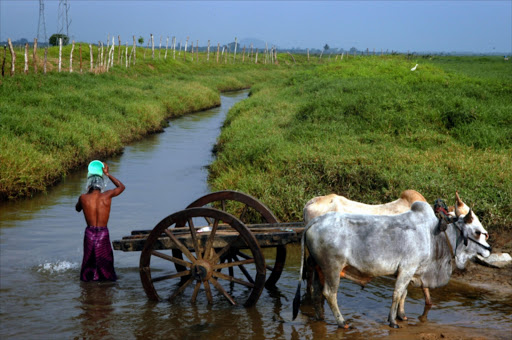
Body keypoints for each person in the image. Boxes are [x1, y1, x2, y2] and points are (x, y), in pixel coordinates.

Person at [76, 162, 125, 281]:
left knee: (88, 262)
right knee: (105, 262)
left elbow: (77, 209)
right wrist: (108, 174)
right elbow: (121, 187)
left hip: (89, 233)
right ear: (101, 183)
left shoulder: (83, 198)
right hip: (103, 233)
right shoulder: (107, 196)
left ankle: (88, 286)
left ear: (89, 183)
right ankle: (106, 285)